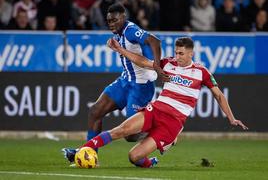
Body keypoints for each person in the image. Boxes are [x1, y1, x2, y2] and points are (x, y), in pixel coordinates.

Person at [63, 37, 248, 168]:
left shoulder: (202, 72)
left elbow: (219, 96)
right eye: (176, 52)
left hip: (174, 122)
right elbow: (143, 62)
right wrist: (121, 50)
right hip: (156, 110)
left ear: (191, 53)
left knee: (134, 156)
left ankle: (152, 160)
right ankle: (83, 150)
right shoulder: (167, 63)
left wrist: (231, 118)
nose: (177, 56)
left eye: (182, 53)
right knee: (121, 130)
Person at [85, 3, 167, 144]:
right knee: (95, 112)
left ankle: (160, 132)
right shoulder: (119, 33)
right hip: (125, 81)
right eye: (109, 21)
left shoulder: (130, 30)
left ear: (123, 17)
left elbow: (155, 41)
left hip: (141, 87)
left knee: (130, 135)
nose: (111, 24)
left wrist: (158, 67)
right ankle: (88, 152)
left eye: (115, 20)